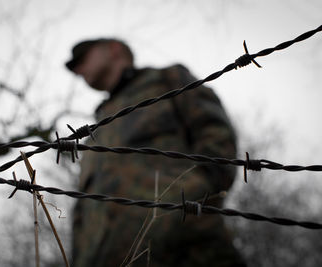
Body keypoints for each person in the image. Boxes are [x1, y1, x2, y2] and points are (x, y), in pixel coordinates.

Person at [66, 38, 246, 267]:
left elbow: (215, 134)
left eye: (82, 58)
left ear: (113, 49)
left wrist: (194, 199)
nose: (78, 70)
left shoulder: (165, 81)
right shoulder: (99, 123)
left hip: (187, 251)